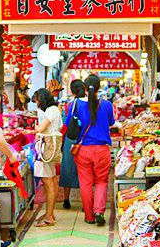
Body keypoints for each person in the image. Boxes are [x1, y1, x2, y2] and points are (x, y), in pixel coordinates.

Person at [68, 74, 115, 226]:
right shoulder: (107, 105)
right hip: (102, 150)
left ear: (84, 87)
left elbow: (68, 124)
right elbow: (111, 122)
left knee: (86, 183)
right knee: (101, 181)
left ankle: (89, 216)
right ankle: (99, 211)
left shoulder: (75, 105)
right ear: (99, 87)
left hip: (83, 149)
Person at [32, 87, 62, 227]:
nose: (36, 104)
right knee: (52, 181)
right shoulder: (55, 109)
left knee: (48, 182)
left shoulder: (50, 110)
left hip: (46, 149)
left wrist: (35, 128)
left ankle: (49, 216)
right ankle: (50, 213)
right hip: (51, 149)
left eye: (37, 101)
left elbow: (41, 128)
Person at [59, 79, 86, 209]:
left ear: (72, 90)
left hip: (71, 139)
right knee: (84, 171)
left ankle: (66, 200)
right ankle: (85, 202)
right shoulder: (89, 104)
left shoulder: (70, 105)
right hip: (85, 139)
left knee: (67, 168)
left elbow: (66, 122)